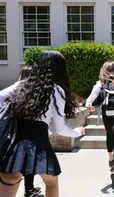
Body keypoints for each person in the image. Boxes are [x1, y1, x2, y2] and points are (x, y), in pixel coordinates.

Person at [0, 50, 85, 197]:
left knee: (10, 182)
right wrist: (77, 132)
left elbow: (1, 97)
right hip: (39, 144)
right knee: (51, 183)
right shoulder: (56, 90)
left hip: (13, 146)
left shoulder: (21, 85)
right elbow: (60, 128)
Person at [85, 61, 114, 192]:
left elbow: (90, 99)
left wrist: (89, 105)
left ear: (104, 71)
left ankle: (110, 157)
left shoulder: (100, 84)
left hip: (107, 114)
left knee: (109, 134)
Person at [17, 66, 42, 197]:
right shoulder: (33, 94)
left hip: (14, 132)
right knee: (29, 162)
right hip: (30, 134)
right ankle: (29, 189)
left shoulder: (14, 91)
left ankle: (29, 189)